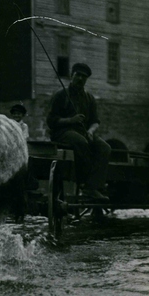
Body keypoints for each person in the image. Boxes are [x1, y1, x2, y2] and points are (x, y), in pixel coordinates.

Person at [46, 62, 111, 201]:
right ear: (72, 75)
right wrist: (70, 120)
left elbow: (95, 120)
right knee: (80, 142)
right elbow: (51, 121)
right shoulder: (61, 95)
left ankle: (92, 187)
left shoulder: (89, 98)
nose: (81, 79)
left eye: (84, 77)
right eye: (78, 75)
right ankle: (83, 183)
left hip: (83, 132)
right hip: (62, 133)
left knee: (104, 148)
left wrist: (91, 131)